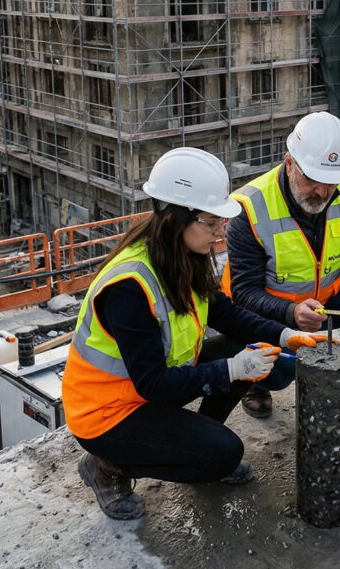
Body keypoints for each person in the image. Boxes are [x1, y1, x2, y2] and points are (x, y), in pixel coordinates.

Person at [61, 147, 325, 520]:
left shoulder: (183, 254)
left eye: (221, 223)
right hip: (107, 413)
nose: (220, 234)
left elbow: (226, 313)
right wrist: (232, 370)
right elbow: (152, 383)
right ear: (175, 218)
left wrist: (284, 335)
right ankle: (107, 466)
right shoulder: (129, 286)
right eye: (211, 222)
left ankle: (195, 446)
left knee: (243, 349)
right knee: (225, 452)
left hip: (146, 392)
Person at [223, 111, 340, 427]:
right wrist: (290, 313)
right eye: (311, 179)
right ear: (289, 163)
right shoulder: (249, 207)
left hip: (327, 300)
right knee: (281, 373)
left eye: (330, 182)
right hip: (268, 315)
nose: (321, 192)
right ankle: (254, 384)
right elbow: (243, 293)